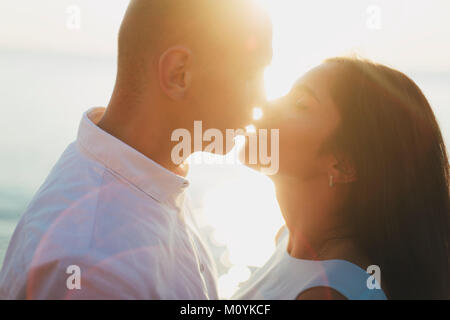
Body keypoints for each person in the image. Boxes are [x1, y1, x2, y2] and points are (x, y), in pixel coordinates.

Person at [0, 0, 272, 299]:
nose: (262, 102)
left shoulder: (155, 175)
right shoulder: (95, 267)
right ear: (178, 73)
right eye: (251, 76)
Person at [234, 57, 449, 300]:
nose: (266, 105)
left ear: (342, 165)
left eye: (301, 103)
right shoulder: (289, 242)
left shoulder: (328, 292)